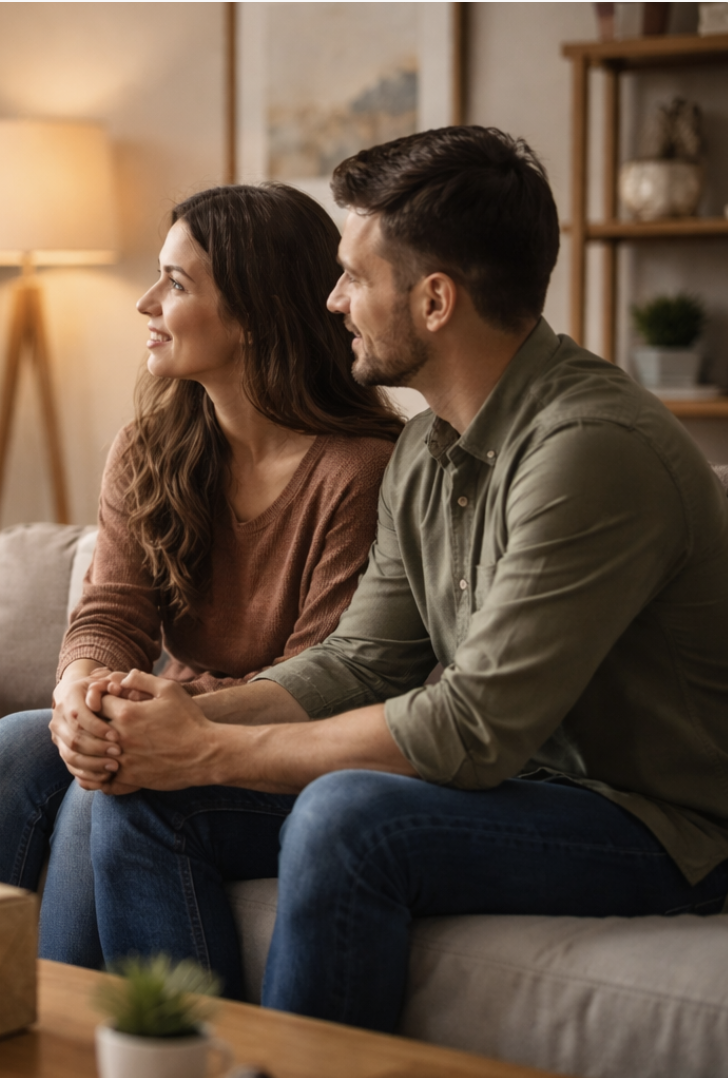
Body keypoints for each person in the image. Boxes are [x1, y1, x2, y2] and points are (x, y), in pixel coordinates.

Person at [77, 126, 728, 1033]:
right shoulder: (427, 446)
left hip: (658, 825)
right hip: (518, 788)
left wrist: (212, 749)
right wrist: (173, 720)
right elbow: (359, 662)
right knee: (147, 796)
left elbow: (472, 727)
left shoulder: (589, 452)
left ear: (433, 301)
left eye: (352, 276)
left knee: (350, 816)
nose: (333, 301)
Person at [0, 183, 404, 972]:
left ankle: (89, 1044)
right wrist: (80, 691)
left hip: (275, 751)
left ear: (253, 313)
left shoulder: (360, 470)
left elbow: (327, 678)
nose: (147, 303)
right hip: (160, 717)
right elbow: (111, 611)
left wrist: (152, 719)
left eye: (176, 284)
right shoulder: (152, 446)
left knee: (109, 785)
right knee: (13, 747)